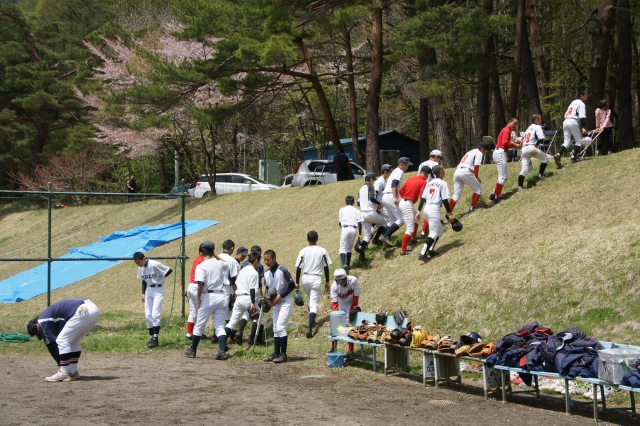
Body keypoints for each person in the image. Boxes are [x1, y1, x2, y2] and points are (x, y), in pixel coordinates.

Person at [27, 298, 100, 382]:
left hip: (82, 310)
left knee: (62, 340)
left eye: (38, 333)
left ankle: (63, 373)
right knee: (73, 341)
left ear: (35, 326)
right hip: (92, 310)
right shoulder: (50, 316)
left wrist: (60, 363)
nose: (41, 334)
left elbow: (51, 343)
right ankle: (72, 372)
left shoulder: (41, 320)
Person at [184, 241, 229, 359]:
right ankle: (221, 351)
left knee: (199, 325)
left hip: (209, 297)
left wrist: (198, 298)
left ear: (201, 253)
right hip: (221, 296)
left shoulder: (201, 266)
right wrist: (215, 255)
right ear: (213, 252)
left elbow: (200, 284)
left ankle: (193, 350)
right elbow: (226, 264)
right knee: (219, 326)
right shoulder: (219, 263)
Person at [295, 230, 332, 338]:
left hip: (305, 278)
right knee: (314, 304)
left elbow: (298, 268)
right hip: (316, 278)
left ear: (307, 239)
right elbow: (326, 267)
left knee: (310, 299)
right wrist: (327, 281)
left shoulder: (303, 251)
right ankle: (310, 327)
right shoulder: (322, 251)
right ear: (317, 239)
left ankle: (313, 321)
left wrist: (297, 282)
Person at [133, 252, 172, 348]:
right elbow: (144, 280)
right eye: (136, 263)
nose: (138, 264)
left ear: (144, 258)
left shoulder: (154, 264)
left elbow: (169, 270)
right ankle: (151, 338)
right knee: (148, 315)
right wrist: (143, 293)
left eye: (139, 262)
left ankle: (155, 339)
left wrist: (160, 278)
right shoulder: (141, 268)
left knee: (155, 314)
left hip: (158, 289)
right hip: (149, 290)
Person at [416, 165, 455, 262]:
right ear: (441, 171)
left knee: (440, 230)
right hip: (434, 208)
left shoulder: (429, 183)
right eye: (444, 170)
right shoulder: (442, 183)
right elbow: (445, 200)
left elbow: (423, 198)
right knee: (433, 232)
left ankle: (430, 249)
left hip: (427, 208)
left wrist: (419, 211)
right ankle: (422, 254)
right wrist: (450, 213)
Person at [263, 249, 295, 363]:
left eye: (268, 260)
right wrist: (268, 299)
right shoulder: (266, 273)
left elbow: (291, 285)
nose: (266, 262)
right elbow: (267, 288)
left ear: (274, 258)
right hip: (275, 303)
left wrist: (280, 295)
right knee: (275, 328)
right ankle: (276, 353)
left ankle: (283, 354)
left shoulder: (282, 270)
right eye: (265, 260)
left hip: (285, 301)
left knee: (280, 327)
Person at [224, 251, 261, 345]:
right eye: (259, 261)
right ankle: (254, 340)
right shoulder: (254, 272)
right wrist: (253, 302)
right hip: (248, 298)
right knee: (259, 318)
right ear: (256, 260)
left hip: (239, 298)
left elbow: (236, 283)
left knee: (231, 323)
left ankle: (222, 341)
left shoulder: (242, 270)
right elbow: (252, 289)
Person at [395, 165, 430, 255]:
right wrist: (423, 206)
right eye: (428, 175)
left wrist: (406, 197)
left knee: (416, 219)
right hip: (408, 204)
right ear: (427, 174)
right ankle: (403, 250)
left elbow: (401, 190)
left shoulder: (411, 178)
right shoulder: (423, 182)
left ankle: (413, 238)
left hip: (403, 202)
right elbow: (422, 196)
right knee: (410, 229)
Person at [517, 114, 557, 191]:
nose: (541, 121)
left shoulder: (528, 129)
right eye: (540, 119)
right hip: (531, 147)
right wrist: (536, 145)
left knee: (524, 169)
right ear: (536, 120)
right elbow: (541, 138)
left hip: (524, 149)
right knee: (546, 158)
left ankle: (520, 186)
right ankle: (540, 175)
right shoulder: (538, 127)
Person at [378, 157, 412, 246]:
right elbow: (394, 184)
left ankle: (384, 238)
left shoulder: (395, 171)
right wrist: (395, 197)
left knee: (393, 220)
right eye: (406, 165)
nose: (407, 167)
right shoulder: (399, 171)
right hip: (390, 196)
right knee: (401, 219)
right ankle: (385, 236)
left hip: (385, 196)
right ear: (401, 164)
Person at [556, 89, 594, 165]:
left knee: (566, 141)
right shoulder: (581, 103)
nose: (587, 96)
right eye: (586, 94)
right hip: (573, 121)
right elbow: (582, 117)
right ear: (581, 95)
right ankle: (573, 157)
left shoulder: (573, 102)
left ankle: (558, 154)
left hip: (566, 121)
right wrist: (583, 127)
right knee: (579, 140)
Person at [329, 268, 360, 360]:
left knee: (350, 327)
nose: (341, 283)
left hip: (351, 304)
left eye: (342, 281)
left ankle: (350, 351)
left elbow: (356, 296)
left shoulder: (353, 280)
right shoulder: (334, 286)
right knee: (335, 326)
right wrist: (337, 314)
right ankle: (333, 348)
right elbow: (334, 303)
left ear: (346, 277)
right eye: (338, 281)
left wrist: (352, 310)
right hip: (341, 305)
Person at [489, 118, 521, 203]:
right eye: (514, 123)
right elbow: (505, 143)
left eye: (516, 124)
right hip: (500, 152)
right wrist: (515, 145)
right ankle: (497, 197)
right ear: (509, 122)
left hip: (500, 152)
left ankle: (494, 194)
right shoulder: (506, 130)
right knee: (502, 176)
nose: (515, 126)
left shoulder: (507, 130)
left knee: (505, 175)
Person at [450, 142, 489, 213]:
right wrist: (476, 177)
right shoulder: (479, 153)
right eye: (486, 150)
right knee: (478, 189)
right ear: (482, 149)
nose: (486, 152)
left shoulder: (471, 151)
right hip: (465, 171)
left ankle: (449, 213)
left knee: (456, 195)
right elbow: (476, 165)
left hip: (457, 171)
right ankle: (472, 208)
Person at [214, 239, 239, 343]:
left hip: (215, 288)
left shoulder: (215, 259)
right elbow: (233, 279)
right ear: (232, 248)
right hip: (226, 288)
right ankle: (217, 336)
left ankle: (221, 334)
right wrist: (235, 291)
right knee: (224, 311)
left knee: (217, 311)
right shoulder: (232, 261)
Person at [358, 172, 386, 260]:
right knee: (385, 223)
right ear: (371, 179)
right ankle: (376, 239)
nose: (374, 181)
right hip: (370, 212)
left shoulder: (361, 188)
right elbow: (371, 198)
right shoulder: (370, 186)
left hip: (363, 214)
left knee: (367, 236)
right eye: (373, 179)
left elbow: (358, 203)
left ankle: (361, 254)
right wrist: (379, 203)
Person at [418, 150, 443, 239]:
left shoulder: (422, 164)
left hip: (423, 187)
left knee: (428, 209)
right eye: (439, 158)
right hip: (432, 188)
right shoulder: (435, 164)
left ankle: (425, 230)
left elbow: (419, 177)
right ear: (436, 156)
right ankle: (424, 232)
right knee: (432, 209)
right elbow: (438, 177)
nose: (439, 160)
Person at [244, 245, 266, 346]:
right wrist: (261, 295)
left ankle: (241, 333)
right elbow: (259, 283)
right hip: (253, 294)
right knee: (258, 317)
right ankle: (255, 339)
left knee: (246, 315)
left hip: (242, 293)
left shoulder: (244, 265)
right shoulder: (258, 267)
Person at [338, 195, 362, 271]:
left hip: (345, 228)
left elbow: (340, 223)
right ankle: (348, 264)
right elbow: (360, 223)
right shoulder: (357, 210)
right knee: (349, 248)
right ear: (354, 203)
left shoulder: (342, 210)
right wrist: (360, 234)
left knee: (342, 247)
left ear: (345, 202)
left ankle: (344, 264)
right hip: (353, 229)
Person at [186, 243, 205, 339]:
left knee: (193, 311)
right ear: (201, 252)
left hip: (191, 286)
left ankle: (189, 333)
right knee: (201, 311)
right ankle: (198, 333)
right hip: (197, 287)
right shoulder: (201, 261)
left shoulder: (197, 259)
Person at [371, 164, 393, 245]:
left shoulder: (384, 181)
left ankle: (376, 239)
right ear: (385, 172)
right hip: (380, 205)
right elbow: (375, 194)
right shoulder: (379, 181)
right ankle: (383, 237)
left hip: (382, 204)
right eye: (390, 172)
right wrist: (377, 205)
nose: (391, 173)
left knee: (379, 224)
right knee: (389, 220)